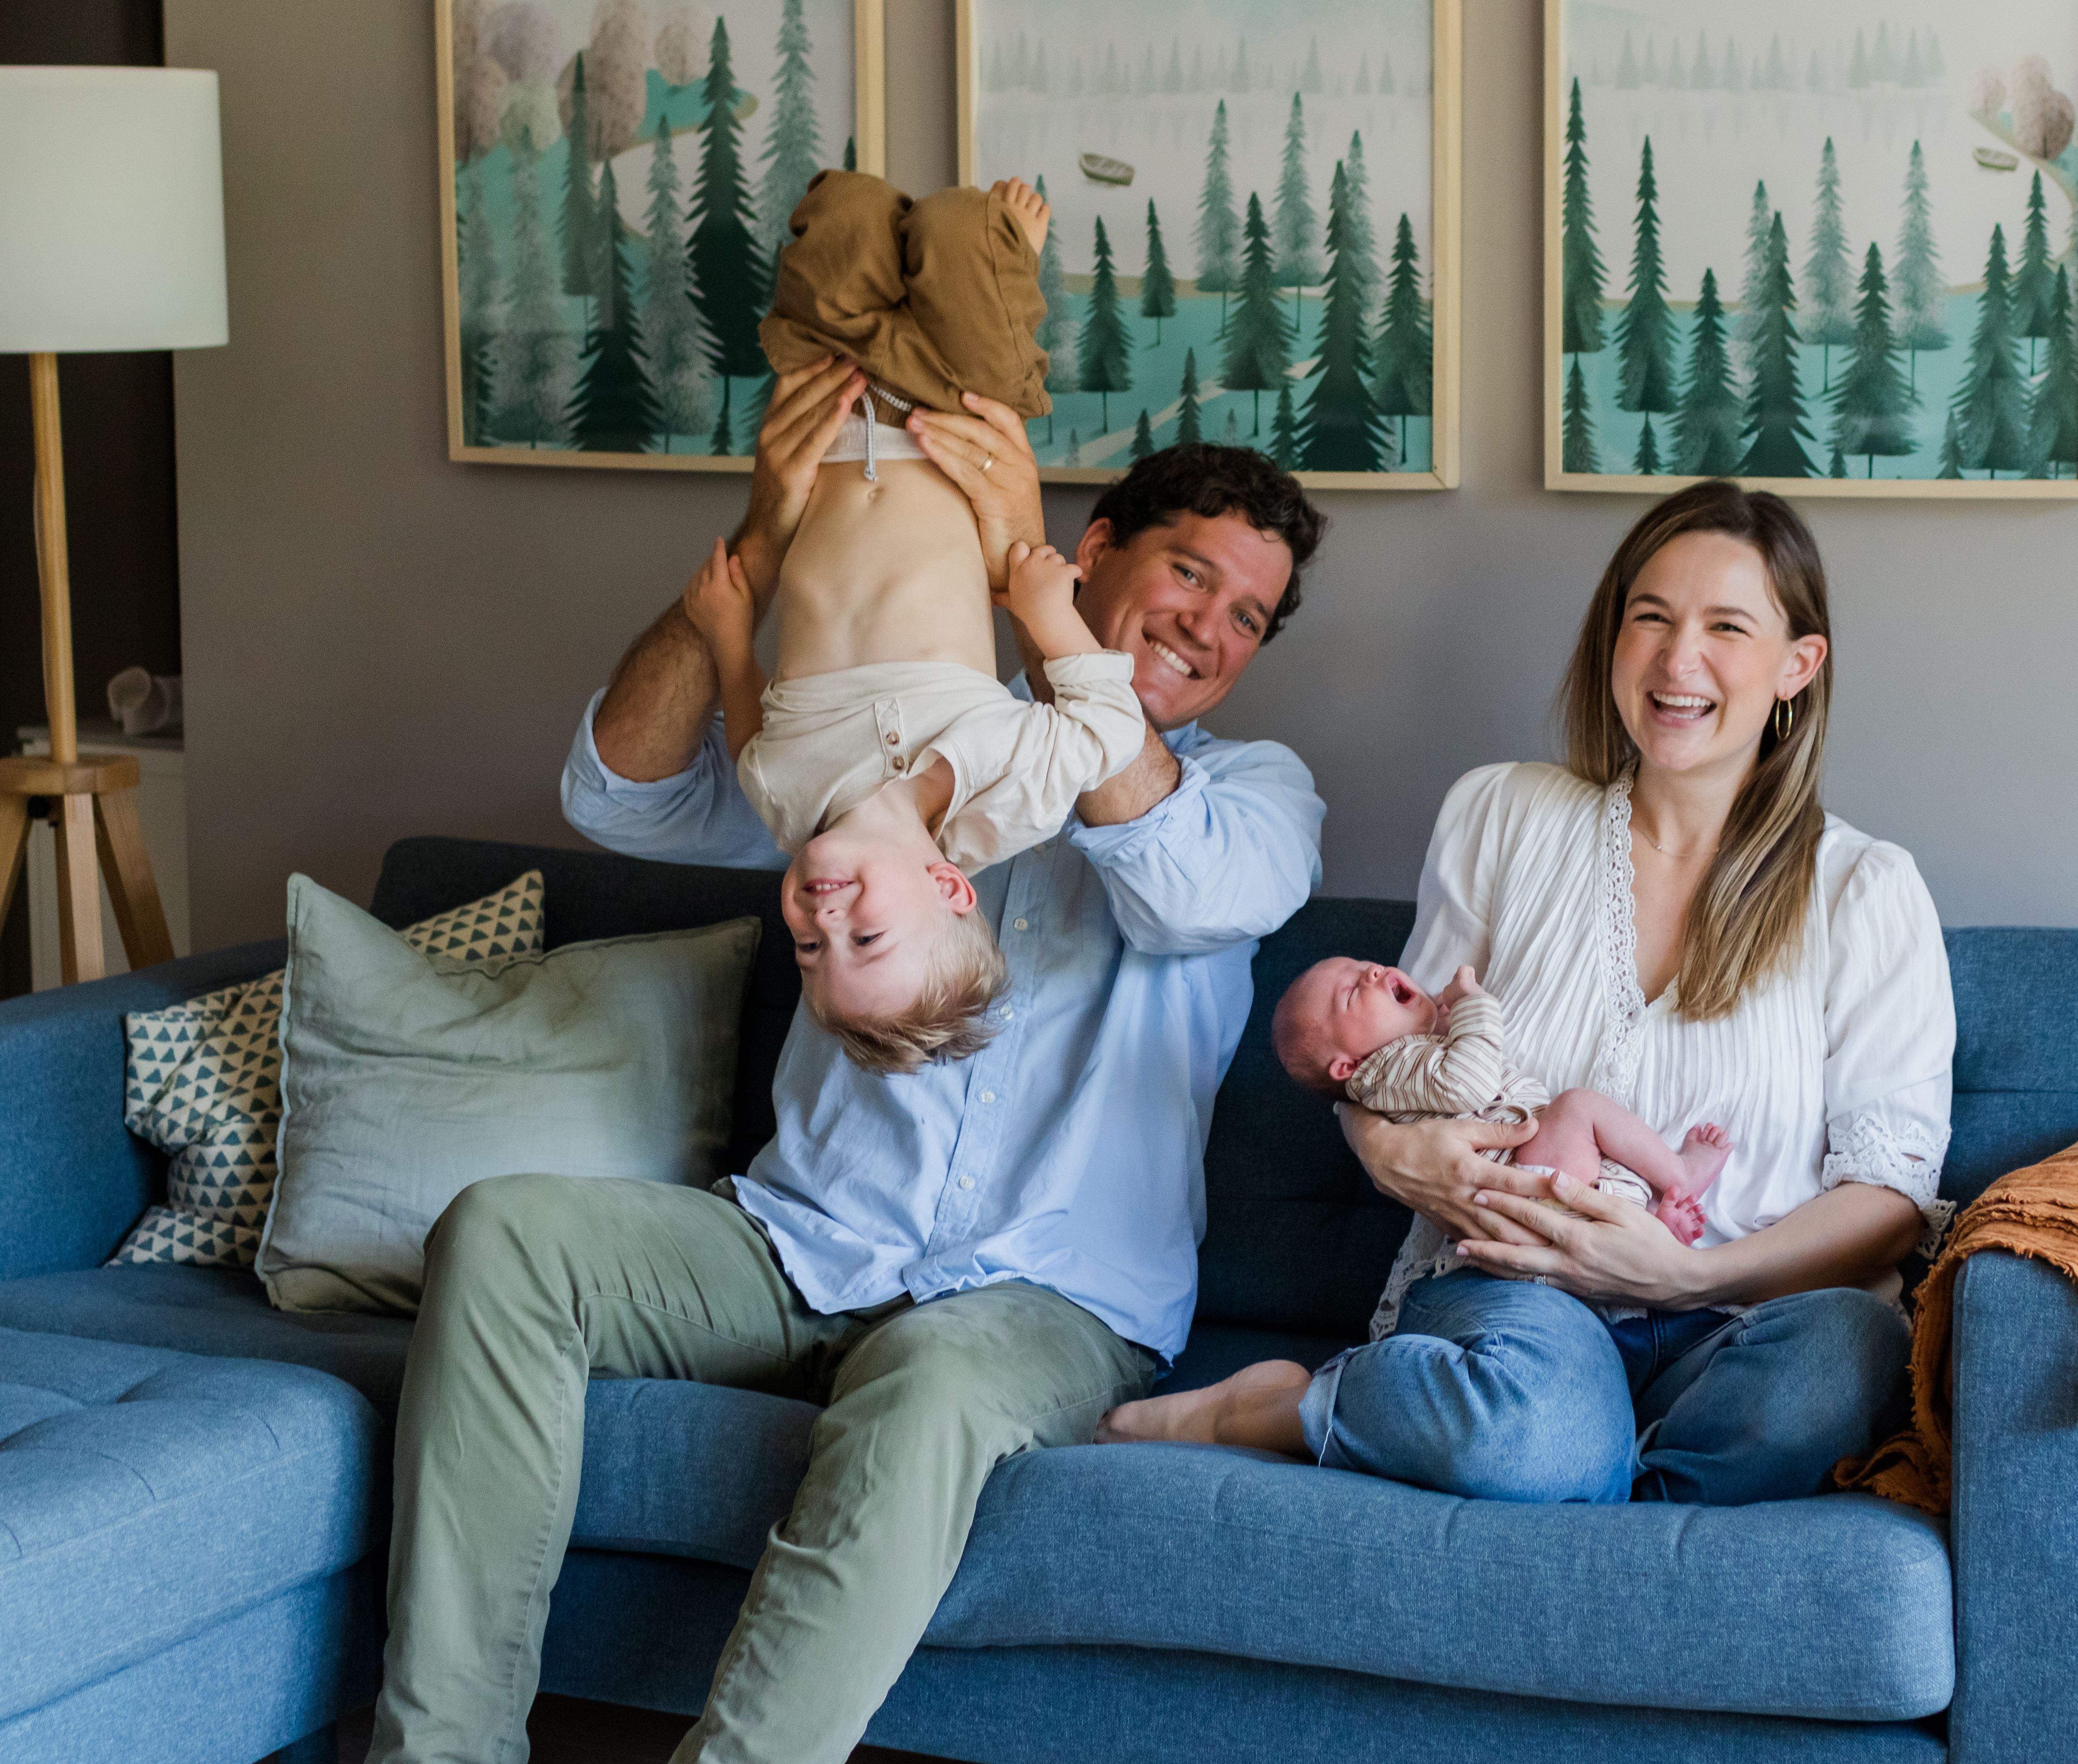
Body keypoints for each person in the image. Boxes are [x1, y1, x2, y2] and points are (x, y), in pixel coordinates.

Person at [363, 365, 1329, 1764]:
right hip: (803, 1240)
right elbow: (618, 795)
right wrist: (757, 553)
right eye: (1190, 572)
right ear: (1100, 542)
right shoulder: (892, 725)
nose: (1210, 626)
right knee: (510, 1233)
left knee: (933, 1375)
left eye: (1247, 613)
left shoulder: (1253, 796)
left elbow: (1179, 890)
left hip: (1048, 1295)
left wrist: (1039, 607)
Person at [1099, 481, 1955, 1514]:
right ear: (1613, 640)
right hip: (1515, 1291)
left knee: (1849, 1356)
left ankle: (1581, 1479)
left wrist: (1683, 1279)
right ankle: (1296, 1411)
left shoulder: (1866, 889)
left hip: (1738, 1316)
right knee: (1540, 1429)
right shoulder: (1501, 813)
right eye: (1650, 618)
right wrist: (1384, 1149)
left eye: (1726, 627)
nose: (1678, 661)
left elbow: (1889, 1200)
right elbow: (1391, 1063)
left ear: (1795, 667)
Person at [675, 174, 1145, 1067]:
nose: (824, 923)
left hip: (840, 408)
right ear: (947, 887)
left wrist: (730, 634)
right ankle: (1009, 269)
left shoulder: (788, 804)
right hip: (958, 416)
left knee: (843, 213)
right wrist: (1054, 618)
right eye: (866, 940)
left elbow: (747, 733)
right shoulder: (1006, 799)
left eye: (810, 951)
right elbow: (1110, 730)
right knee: (963, 228)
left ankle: (922, 257)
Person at [1269, 954, 1730, 1299]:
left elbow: (1443, 1081)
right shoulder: (1385, 1070)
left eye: (1362, 965)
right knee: (1578, 1106)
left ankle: (1649, 1222)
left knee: (1582, 1146)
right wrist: (1474, 1004)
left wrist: (1440, 1023)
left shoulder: (1402, 1072)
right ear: (1347, 1066)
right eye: (1350, 994)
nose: (1370, 973)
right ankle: (1677, 1175)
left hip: (1529, 1197)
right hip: (1522, 1183)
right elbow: (1469, 1081)